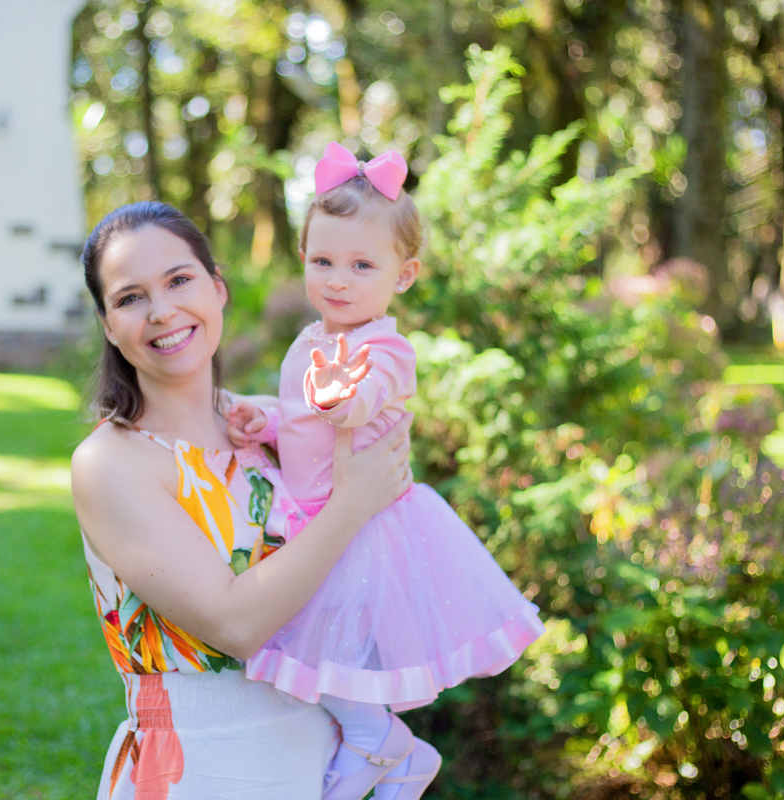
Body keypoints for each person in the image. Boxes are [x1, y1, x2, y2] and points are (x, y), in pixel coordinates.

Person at [226, 142, 546, 800]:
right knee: (303, 646)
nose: (337, 280)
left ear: (404, 275)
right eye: (322, 261)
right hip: (318, 517)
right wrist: (271, 422)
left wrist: (343, 395)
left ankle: (377, 740)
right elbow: (308, 421)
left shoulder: (385, 348)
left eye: (361, 265)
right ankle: (390, 752)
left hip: (362, 528)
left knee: (324, 650)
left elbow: (360, 403)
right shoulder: (313, 340)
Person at [70, 201, 415, 800]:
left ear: (218, 289)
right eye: (129, 298)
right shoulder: (111, 462)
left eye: (179, 280)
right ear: (107, 324)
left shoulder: (270, 425)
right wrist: (352, 504)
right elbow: (235, 624)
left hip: (325, 757)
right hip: (203, 766)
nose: (162, 311)